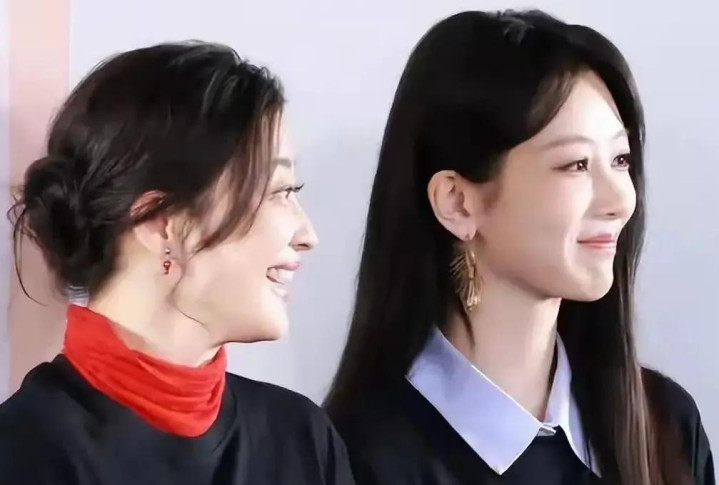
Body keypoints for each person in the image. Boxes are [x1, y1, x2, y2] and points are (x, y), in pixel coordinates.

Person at [324, 10, 714, 485]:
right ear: (457, 202)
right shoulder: (354, 458)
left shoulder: (665, 425)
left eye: (620, 159)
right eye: (575, 164)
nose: (620, 200)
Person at [0, 41, 355, 485]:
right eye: (279, 192)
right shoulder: (25, 454)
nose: (308, 236)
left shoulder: (302, 439)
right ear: (162, 223)